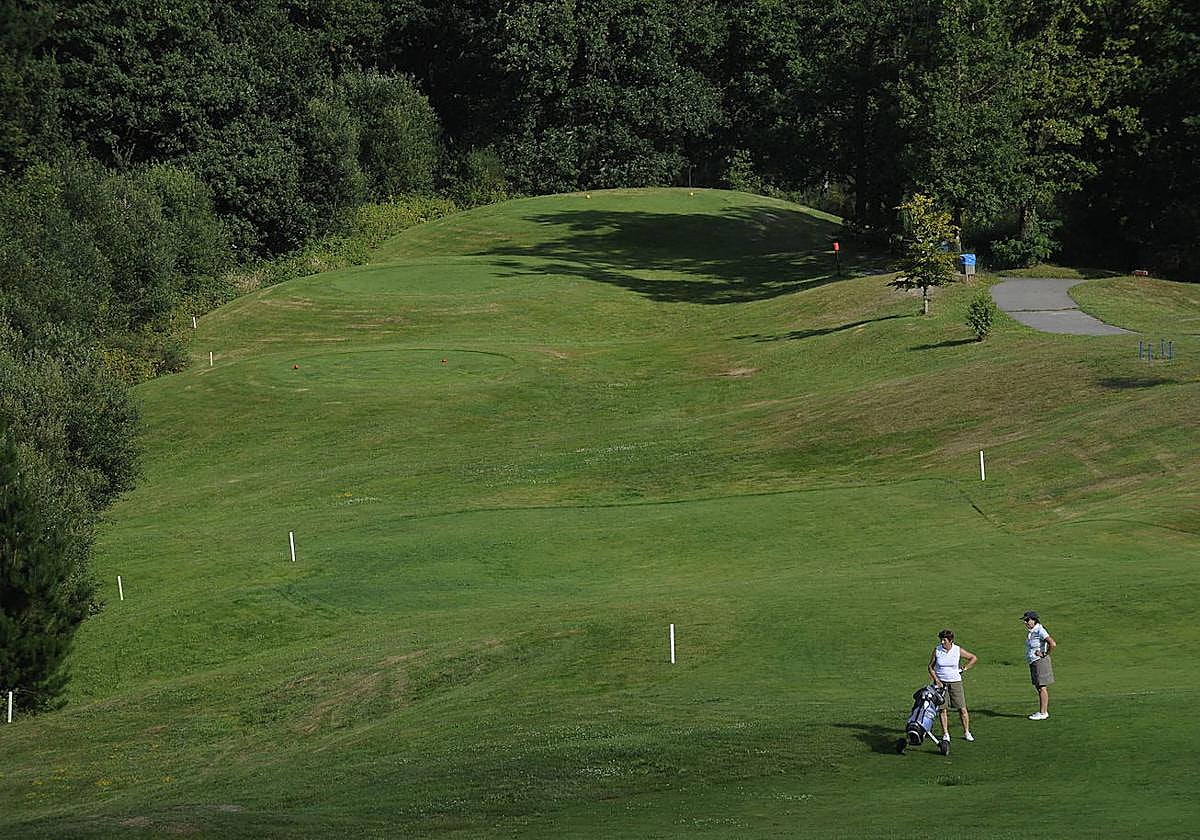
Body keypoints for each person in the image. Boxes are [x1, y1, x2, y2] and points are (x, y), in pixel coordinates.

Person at [927, 628, 978, 742]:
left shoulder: (957, 650)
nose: (942, 642)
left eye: (944, 640)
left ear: (950, 640)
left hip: (955, 682)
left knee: (962, 709)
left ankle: (967, 732)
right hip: (941, 684)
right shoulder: (937, 650)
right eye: (941, 640)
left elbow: (973, 658)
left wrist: (964, 668)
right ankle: (945, 733)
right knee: (942, 709)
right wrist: (937, 680)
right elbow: (930, 667)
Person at [1022, 610, 1056, 720]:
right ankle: (1042, 711)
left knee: (1042, 687)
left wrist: (1044, 654)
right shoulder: (1032, 631)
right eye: (1024, 620)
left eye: (1027, 620)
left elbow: (1052, 643)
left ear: (1034, 620)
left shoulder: (1039, 630)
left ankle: (1043, 712)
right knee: (1038, 686)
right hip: (1034, 661)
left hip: (1040, 661)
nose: (1025, 622)